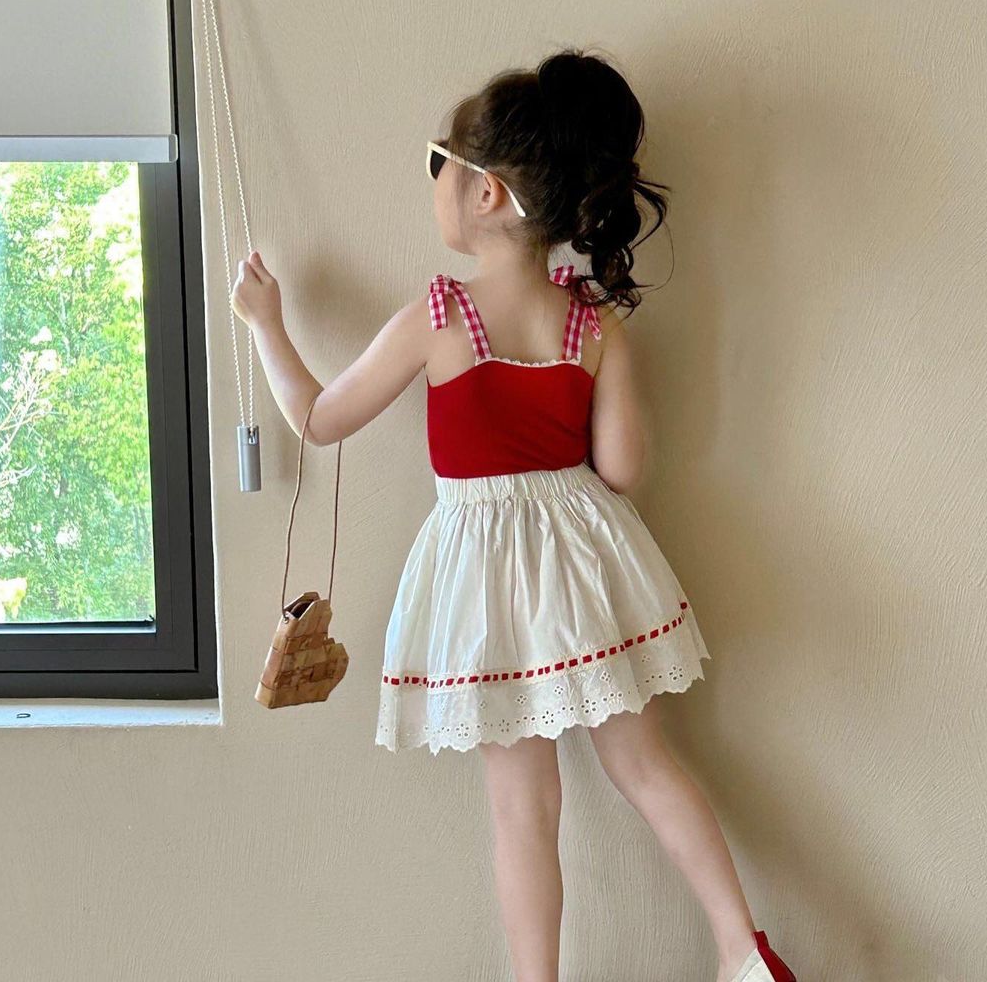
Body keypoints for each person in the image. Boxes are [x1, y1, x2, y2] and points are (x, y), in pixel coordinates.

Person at [231, 48, 796, 982]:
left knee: (523, 809)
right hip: (586, 570)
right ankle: (744, 950)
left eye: (438, 164)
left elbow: (320, 420)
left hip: (484, 580)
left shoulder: (440, 315)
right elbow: (623, 470)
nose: (433, 181)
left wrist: (266, 325)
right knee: (646, 766)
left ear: (485, 190)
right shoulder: (594, 324)